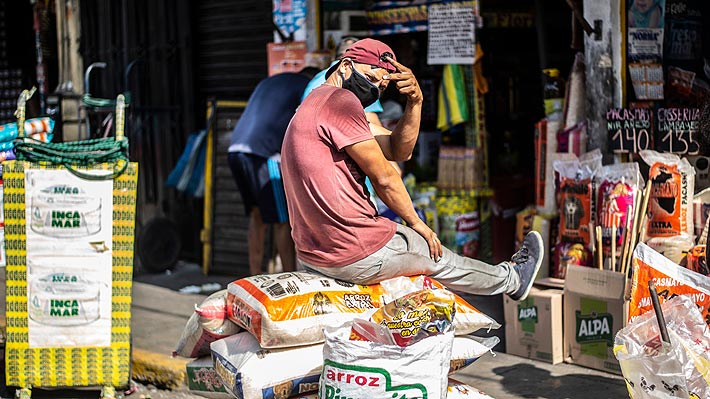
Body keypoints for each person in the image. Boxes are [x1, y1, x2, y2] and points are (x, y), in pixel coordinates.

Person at [280, 39, 543, 301]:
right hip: (355, 249)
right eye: (373, 78)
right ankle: (512, 279)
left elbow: (398, 149)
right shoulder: (340, 102)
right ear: (346, 66)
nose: (375, 89)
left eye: (382, 86)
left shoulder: (316, 104)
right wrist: (417, 223)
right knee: (438, 256)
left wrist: (415, 102)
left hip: (315, 254)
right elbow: (384, 177)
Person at [227, 67, 318, 276]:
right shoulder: (307, 86)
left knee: (257, 216)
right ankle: (289, 278)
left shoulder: (269, 81)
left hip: (235, 149)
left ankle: (253, 276)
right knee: (282, 220)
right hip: (265, 152)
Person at [302, 36, 385, 127]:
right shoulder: (359, 83)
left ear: (333, 57)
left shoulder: (318, 78)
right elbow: (374, 129)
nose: (375, 87)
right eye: (370, 78)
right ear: (345, 65)